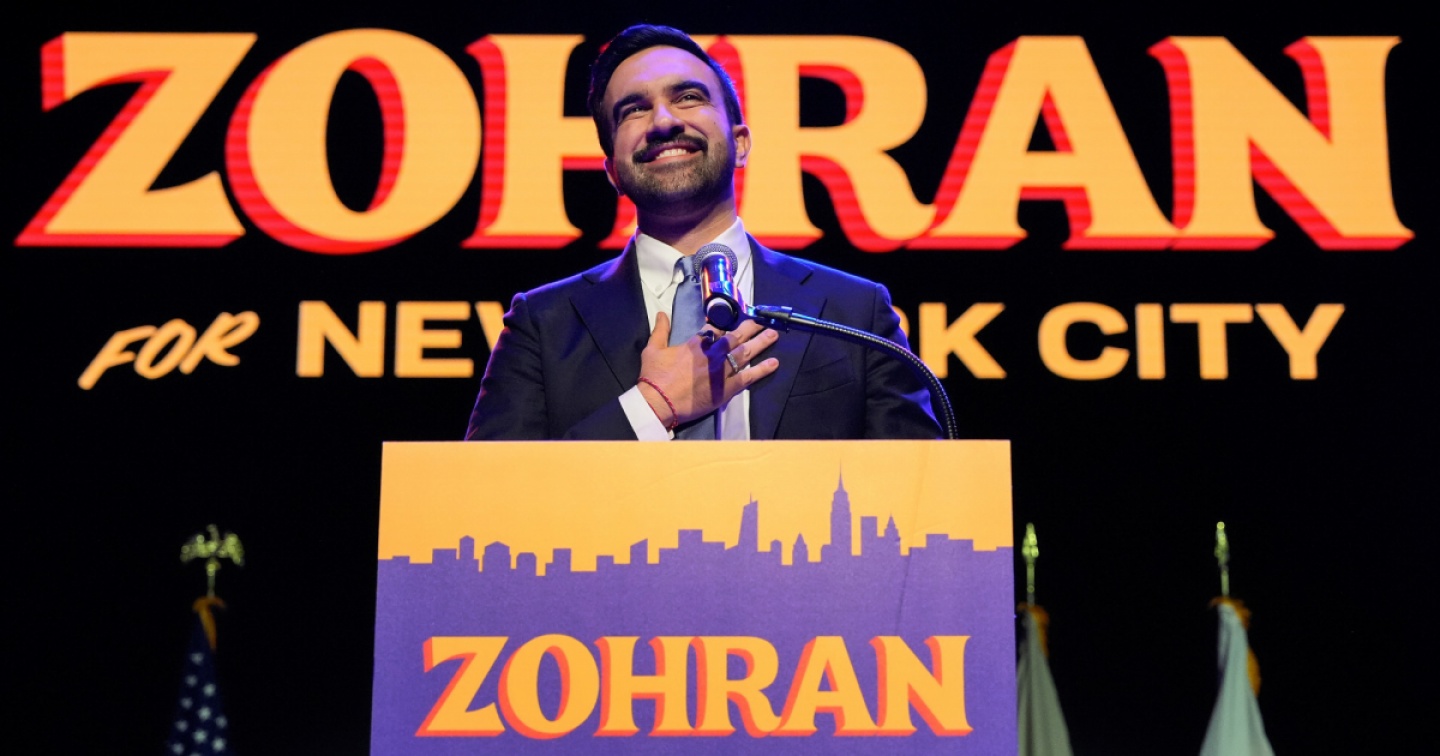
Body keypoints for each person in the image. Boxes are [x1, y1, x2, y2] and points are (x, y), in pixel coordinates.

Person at [465, 24, 940, 441]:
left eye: (688, 97)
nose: (664, 121)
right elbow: (489, 493)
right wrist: (650, 408)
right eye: (633, 110)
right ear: (613, 172)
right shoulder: (542, 326)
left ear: (740, 143)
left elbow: (917, 492)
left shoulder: (854, 312)